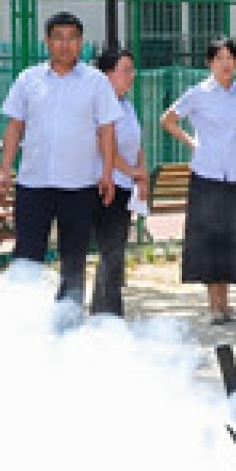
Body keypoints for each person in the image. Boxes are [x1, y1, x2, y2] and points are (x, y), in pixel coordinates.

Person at [0, 11, 119, 307]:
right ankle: (23, 314)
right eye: (58, 38)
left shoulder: (96, 82)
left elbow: (106, 130)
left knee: (73, 258)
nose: (65, 44)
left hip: (79, 185)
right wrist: (4, 170)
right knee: (27, 256)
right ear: (47, 41)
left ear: (81, 42)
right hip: (33, 183)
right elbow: (14, 127)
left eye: (72, 38)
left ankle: (68, 319)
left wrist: (107, 173)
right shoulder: (28, 79)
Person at [161, 38, 236, 323]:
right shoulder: (198, 93)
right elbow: (167, 120)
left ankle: (226, 305)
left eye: (230, 57)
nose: (225, 63)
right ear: (209, 63)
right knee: (209, 240)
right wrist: (192, 142)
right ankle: (214, 306)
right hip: (207, 174)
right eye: (219, 58)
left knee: (232, 239)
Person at [91, 48, 149, 318]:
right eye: (125, 70)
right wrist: (133, 172)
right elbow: (106, 148)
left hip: (125, 185)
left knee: (114, 252)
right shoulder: (100, 106)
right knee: (110, 253)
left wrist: (141, 173)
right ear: (107, 75)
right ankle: (108, 316)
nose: (131, 75)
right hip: (106, 186)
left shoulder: (127, 104)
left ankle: (105, 313)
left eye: (132, 70)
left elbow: (137, 144)